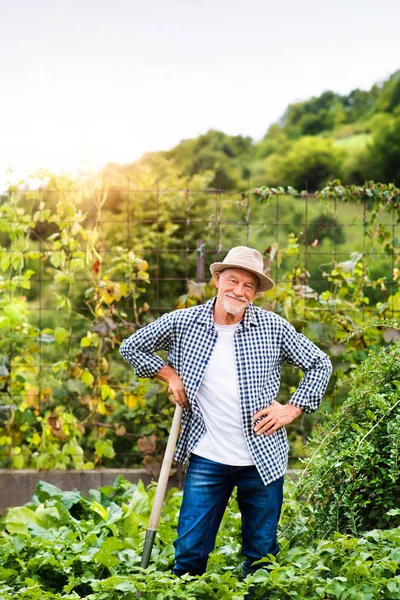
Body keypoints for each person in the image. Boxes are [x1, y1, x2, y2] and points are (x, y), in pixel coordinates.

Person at [120, 246, 332, 582]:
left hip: (263, 457)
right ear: (218, 280)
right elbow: (131, 346)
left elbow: (320, 362)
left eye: (249, 285)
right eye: (233, 280)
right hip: (208, 456)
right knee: (189, 553)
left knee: (261, 555)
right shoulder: (183, 322)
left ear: (256, 292)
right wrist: (169, 375)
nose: (239, 290)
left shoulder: (272, 328)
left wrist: (293, 407)